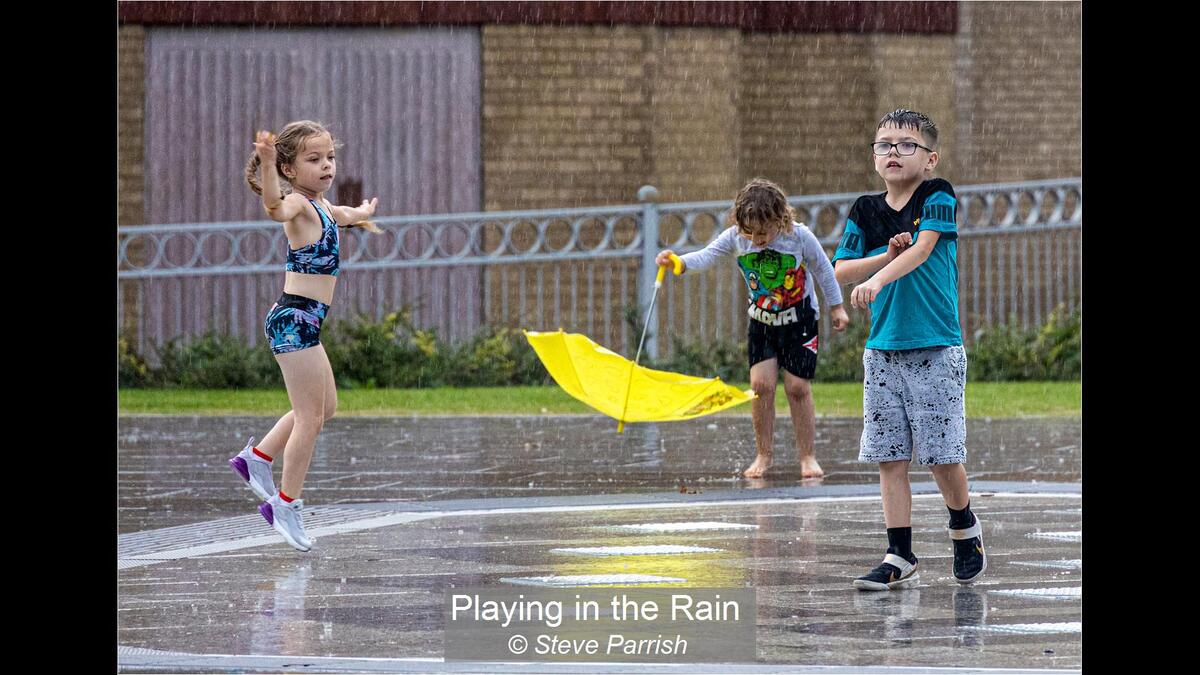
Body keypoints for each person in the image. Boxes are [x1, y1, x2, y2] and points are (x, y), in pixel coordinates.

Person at [831, 109, 986, 590]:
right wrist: (883, 258)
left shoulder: (937, 195)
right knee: (889, 456)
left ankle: (964, 525)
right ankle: (899, 553)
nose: (893, 152)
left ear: (930, 157)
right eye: (884, 145)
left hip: (936, 347)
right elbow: (840, 270)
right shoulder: (864, 209)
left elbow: (922, 250)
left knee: (942, 456)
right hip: (882, 352)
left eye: (906, 144)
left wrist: (879, 277)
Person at [229, 121, 381, 552]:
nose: (327, 166)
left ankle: (256, 459)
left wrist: (364, 213)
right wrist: (267, 165)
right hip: (293, 320)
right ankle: (285, 503)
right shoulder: (295, 203)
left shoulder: (324, 209)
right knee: (310, 417)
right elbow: (274, 207)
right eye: (314, 160)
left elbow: (345, 216)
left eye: (330, 158)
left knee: (323, 408)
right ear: (292, 169)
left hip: (306, 321)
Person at [657, 178, 849, 479]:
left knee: (797, 388)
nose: (756, 239)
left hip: (799, 320)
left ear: (780, 219)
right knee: (761, 387)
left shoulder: (799, 237)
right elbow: (707, 255)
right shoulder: (736, 237)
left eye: (763, 232)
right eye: (750, 232)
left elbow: (823, 269)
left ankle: (807, 457)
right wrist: (677, 262)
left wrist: (836, 306)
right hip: (762, 322)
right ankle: (764, 454)